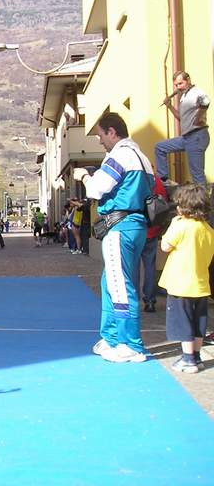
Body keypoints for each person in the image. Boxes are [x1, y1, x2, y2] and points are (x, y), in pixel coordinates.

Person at [73, 112, 153, 363]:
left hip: (120, 225)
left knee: (119, 285)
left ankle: (130, 344)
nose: (99, 141)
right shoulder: (142, 157)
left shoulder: (120, 155)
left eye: (100, 135)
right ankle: (111, 337)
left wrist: (84, 176)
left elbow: (96, 188)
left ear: (112, 132)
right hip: (135, 224)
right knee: (111, 281)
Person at [159, 184, 214, 373]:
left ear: (183, 207)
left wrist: (173, 224)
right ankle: (197, 356)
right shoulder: (208, 229)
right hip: (200, 284)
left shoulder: (181, 226)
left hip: (180, 284)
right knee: (199, 322)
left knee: (183, 322)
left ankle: (188, 359)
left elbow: (165, 246)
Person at [156, 70, 210, 185]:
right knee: (160, 147)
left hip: (196, 136)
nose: (178, 87)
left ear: (188, 80)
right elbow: (181, 117)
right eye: (176, 85)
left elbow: (205, 102)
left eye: (180, 83)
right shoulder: (184, 96)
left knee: (197, 174)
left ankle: (203, 196)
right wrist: (169, 106)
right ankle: (164, 180)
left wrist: (198, 118)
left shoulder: (195, 92)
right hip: (186, 138)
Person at [134, 173, 167, 312]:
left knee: (133, 267)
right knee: (150, 267)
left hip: (136, 229)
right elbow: (163, 202)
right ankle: (150, 301)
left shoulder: (134, 179)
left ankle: (133, 300)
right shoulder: (156, 181)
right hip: (152, 229)